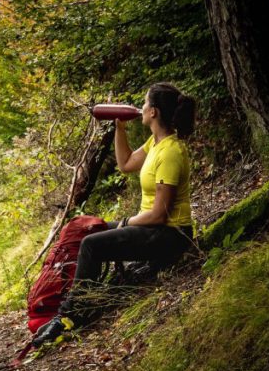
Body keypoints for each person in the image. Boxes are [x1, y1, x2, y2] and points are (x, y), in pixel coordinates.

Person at [31, 82, 197, 347]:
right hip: (152, 229)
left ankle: (69, 317)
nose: (140, 107)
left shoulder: (171, 152)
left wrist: (123, 223)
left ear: (153, 112)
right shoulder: (155, 144)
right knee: (86, 231)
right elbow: (126, 163)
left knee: (92, 245)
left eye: (144, 103)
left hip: (170, 235)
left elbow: (159, 215)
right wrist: (119, 128)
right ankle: (80, 299)